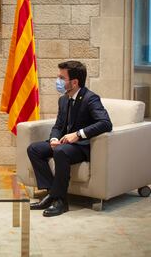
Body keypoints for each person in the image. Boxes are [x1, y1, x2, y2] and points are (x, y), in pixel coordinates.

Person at [27, 61, 112, 217]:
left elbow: (106, 123)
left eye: (61, 77)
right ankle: (51, 193)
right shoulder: (64, 99)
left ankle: (61, 202)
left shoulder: (90, 98)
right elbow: (59, 125)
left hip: (82, 146)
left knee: (60, 151)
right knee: (34, 149)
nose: (57, 81)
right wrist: (53, 138)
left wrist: (78, 134)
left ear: (74, 82)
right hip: (64, 145)